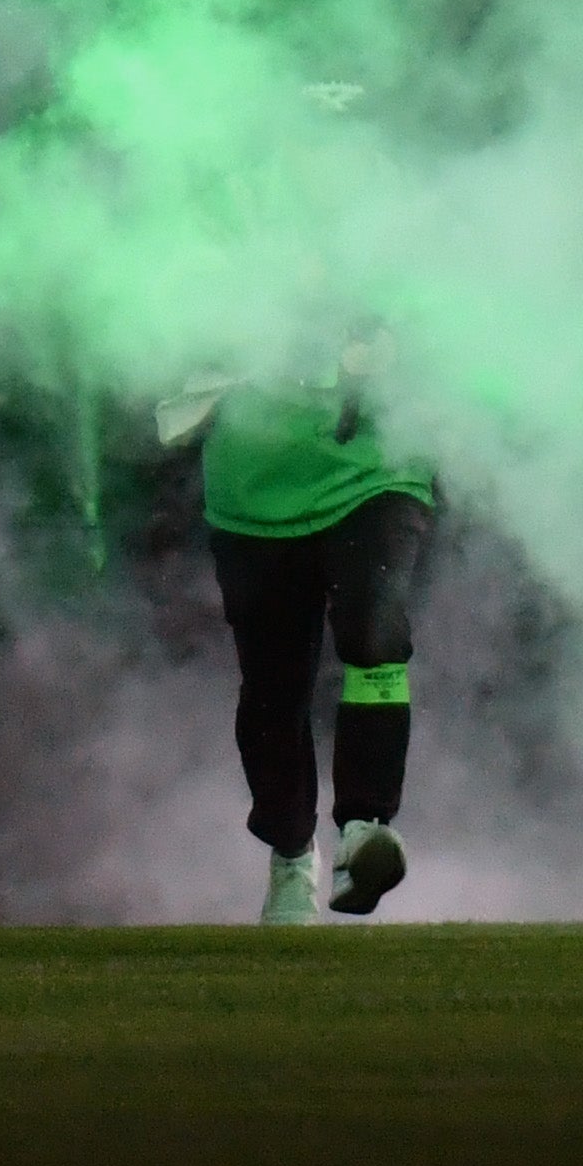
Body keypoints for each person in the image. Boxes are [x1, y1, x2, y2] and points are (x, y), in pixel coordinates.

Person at [155, 240, 435, 922]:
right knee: (274, 686)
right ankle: (289, 858)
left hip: (374, 473)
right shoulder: (205, 225)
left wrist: (390, 343)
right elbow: (155, 336)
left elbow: (441, 306)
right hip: (253, 494)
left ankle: (366, 828)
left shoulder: (384, 203)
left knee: (375, 628)